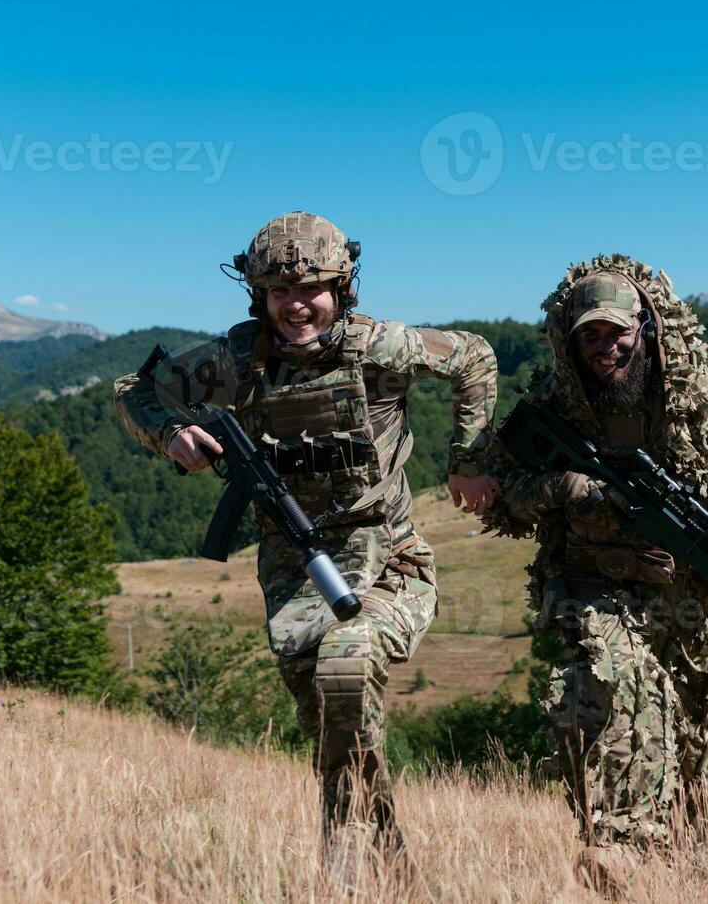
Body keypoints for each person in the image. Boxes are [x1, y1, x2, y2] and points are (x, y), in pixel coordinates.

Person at [113, 211, 500, 880]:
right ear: (258, 295)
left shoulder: (381, 348)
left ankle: (348, 863)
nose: (296, 306)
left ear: (341, 286)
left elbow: (475, 357)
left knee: (346, 668)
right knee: (328, 723)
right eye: (278, 293)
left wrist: (466, 455)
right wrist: (170, 435)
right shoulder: (238, 361)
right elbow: (135, 392)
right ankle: (382, 865)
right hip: (293, 572)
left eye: (311, 289)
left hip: (389, 560)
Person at [480, 255, 708, 896]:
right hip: (594, 589)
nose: (605, 349)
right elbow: (497, 492)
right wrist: (567, 488)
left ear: (647, 327)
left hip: (688, 595)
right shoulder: (552, 406)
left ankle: (699, 863)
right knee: (617, 695)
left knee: (702, 732)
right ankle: (621, 854)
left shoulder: (700, 409)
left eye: (617, 332)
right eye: (589, 336)